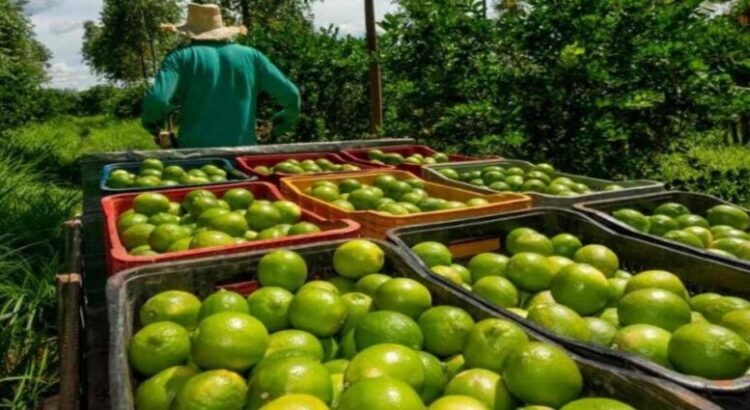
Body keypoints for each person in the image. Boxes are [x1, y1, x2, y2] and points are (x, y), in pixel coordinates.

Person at [141, 3, 301, 148]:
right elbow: (291, 95)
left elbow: (157, 99)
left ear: (188, 31)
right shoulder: (252, 56)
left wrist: (153, 126)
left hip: (194, 154)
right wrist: (279, 126)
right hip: (243, 152)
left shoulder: (179, 58)